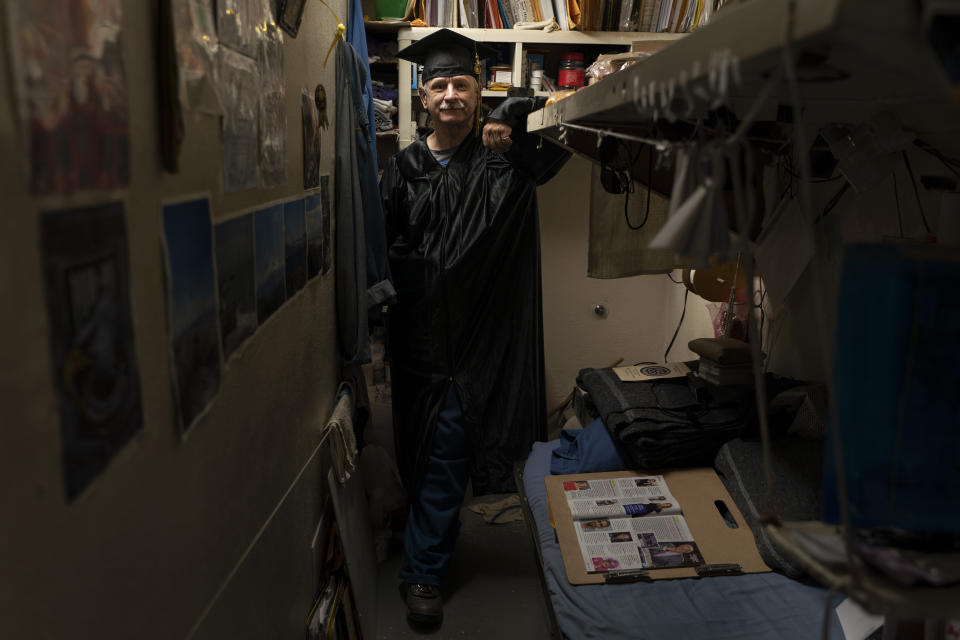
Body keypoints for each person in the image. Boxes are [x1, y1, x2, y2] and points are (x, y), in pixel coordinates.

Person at [380, 29, 570, 626]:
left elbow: (557, 136)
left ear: (477, 91)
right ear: (423, 94)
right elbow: (386, 248)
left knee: (446, 449)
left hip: (479, 340)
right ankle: (433, 537)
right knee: (419, 450)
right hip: (417, 339)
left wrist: (513, 113)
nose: (451, 95)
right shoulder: (404, 167)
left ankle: (422, 574)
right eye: (439, 85)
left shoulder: (503, 159)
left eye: (462, 84)